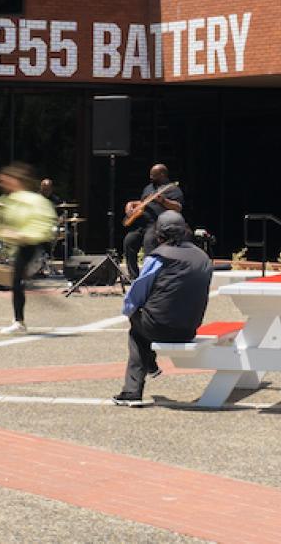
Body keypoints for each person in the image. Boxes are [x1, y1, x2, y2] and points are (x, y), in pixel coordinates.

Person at [113, 210, 211, 406]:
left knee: (137, 331)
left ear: (158, 235)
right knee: (143, 324)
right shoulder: (203, 258)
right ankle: (150, 365)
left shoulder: (158, 258)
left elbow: (136, 295)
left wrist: (129, 312)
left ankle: (133, 390)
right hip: (189, 329)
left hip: (158, 327)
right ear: (185, 231)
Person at [0, 163, 59, 334]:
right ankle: (19, 319)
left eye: (6, 181)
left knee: (17, 280)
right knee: (17, 281)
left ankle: (19, 321)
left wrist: (23, 235)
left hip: (33, 245)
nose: (2, 184)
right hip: (19, 245)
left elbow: (45, 224)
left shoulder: (35, 201)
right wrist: (5, 232)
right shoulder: (6, 201)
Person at [120, 164, 183, 281]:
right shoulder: (148, 188)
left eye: (153, 175)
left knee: (149, 241)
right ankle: (134, 277)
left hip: (157, 224)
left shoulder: (172, 189)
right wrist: (130, 205)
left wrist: (163, 201)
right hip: (142, 223)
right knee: (129, 241)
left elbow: (178, 207)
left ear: (162, 174)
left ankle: (149, 277)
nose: (150, 177)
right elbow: (142, 202)